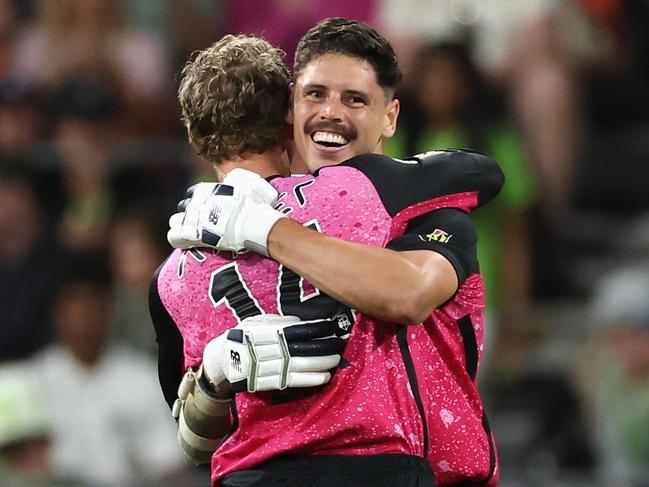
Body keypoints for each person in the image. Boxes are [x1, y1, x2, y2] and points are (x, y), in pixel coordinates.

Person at [154, 18, 502, 486]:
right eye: (315, 94)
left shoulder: (422, 213)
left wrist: (260, 227)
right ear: (289, 111)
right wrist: (215, 377)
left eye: (355, 99)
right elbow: (195, 442)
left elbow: (410, 291)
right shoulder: (369, 198)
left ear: (390, 117)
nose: (331, 112)